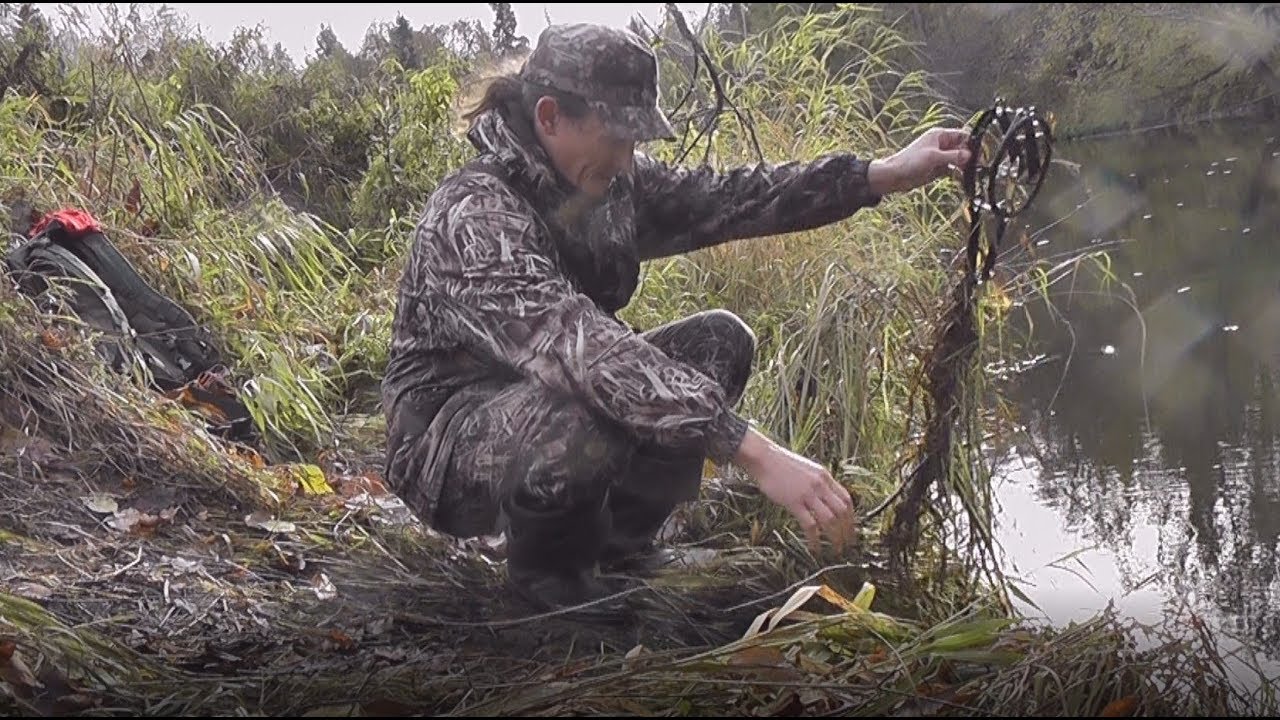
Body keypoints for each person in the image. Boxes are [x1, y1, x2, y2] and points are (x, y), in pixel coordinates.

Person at [381, 22, 973, 613]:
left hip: (543, 394)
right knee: (589, 405)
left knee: (720, 342)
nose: (627, 158)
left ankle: (617, 547)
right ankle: (547, 593)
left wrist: (879, 174)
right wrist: (754, 451)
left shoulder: (605, 181)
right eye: (616, 137)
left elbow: (732, 197)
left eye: (634, 140)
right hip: (445, 440)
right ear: (549, 116)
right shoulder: (474, 215)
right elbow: (583, 353)